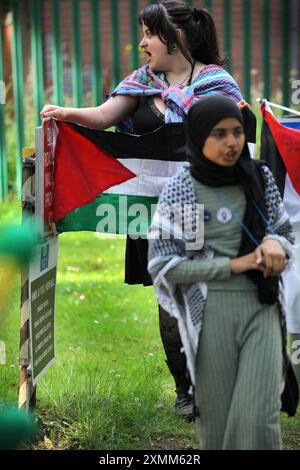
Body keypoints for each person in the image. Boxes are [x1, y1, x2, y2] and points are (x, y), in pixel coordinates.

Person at [41, 1, 244, 419]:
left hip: (208, 212)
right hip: (156, 217)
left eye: (149, 34)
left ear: (177, 37)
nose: (142, 43)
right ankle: (186, 391)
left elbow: (231, 139)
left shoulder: (217, 85)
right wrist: (66, 114)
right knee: (171, 303)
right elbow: (102, 117)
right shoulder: (141, 82)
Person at [147, 94, 297, 449]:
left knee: (259, 419)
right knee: (217, 425)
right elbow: (169, 265)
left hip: (260, 308)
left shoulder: (257, 176)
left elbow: (284, 233)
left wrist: (276, 244)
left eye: (236, 132)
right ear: (198, 136)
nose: (231, 142)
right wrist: (234, 264)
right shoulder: (186, 188)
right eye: (219, 134)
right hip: (211, 315)